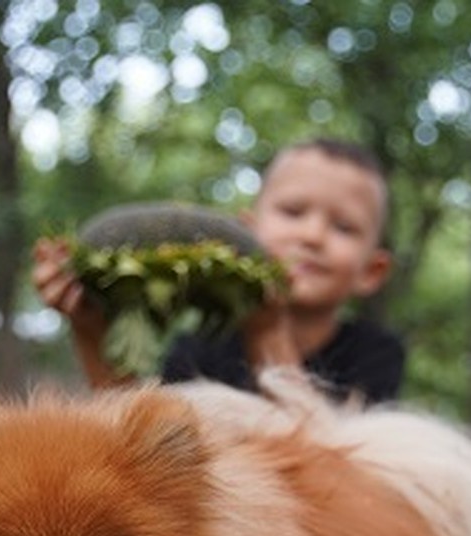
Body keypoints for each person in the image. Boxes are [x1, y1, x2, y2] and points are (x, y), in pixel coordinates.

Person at [32, 138, 405, 405]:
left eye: (344, 228)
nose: (312, 236)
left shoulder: (376, 354)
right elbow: (150, 447)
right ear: (246, 230)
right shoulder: (200, 348)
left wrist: (267, 330)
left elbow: (331, 465)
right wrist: (89, 329)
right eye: (292, 212)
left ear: (371, 271)